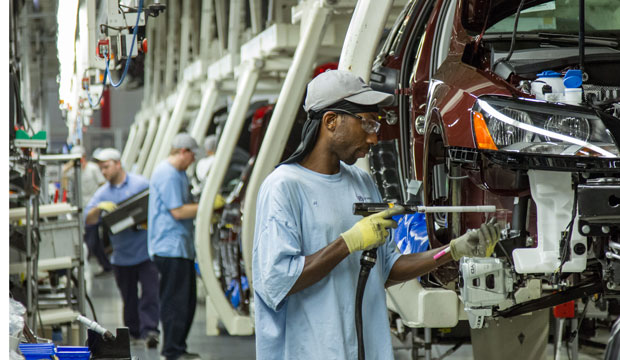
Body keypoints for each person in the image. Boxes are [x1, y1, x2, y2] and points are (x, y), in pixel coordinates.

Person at [252, 70, 501, 359]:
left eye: (377, 125)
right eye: (367, 123)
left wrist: (452, 250)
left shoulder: (362, 183)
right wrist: (349, 242)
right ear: (331, 121)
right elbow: (277, 281)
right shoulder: (283, 187)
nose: (373, 138)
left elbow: (387, 268)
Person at [84, 148, 160, 348]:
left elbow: (157, 207)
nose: (104, 172)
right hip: (121, 256)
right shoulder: (102, 193)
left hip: (145, 251)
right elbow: (88, 220)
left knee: (150, 294)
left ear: (118, 164)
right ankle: (133, 334)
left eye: (107, 167)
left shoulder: (140, 184)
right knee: (129, 298)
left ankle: (150, 331)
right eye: (101, 169)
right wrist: (99, 209)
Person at [148, 133, 202, 360]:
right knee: (175, 302)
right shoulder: (168, 174)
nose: (193, 161)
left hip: (180, 246)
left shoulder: (178, 174)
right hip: (170, 248)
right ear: (182, 151)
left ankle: (178, 346)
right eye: (192, 156)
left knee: (186, 301)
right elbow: (178, 211)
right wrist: (208, 206)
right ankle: (172, 350)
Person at [62, 145, 111, 276]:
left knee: (91, 239)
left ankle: (85, 266)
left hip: (93, 209)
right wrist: (65, 170)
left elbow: (103, 185)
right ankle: (106, 266)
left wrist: (101, 205)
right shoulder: (73, 171)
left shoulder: (93, 169)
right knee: (93, 241)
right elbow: (64, 185)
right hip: (80, 210)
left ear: (84, 158)